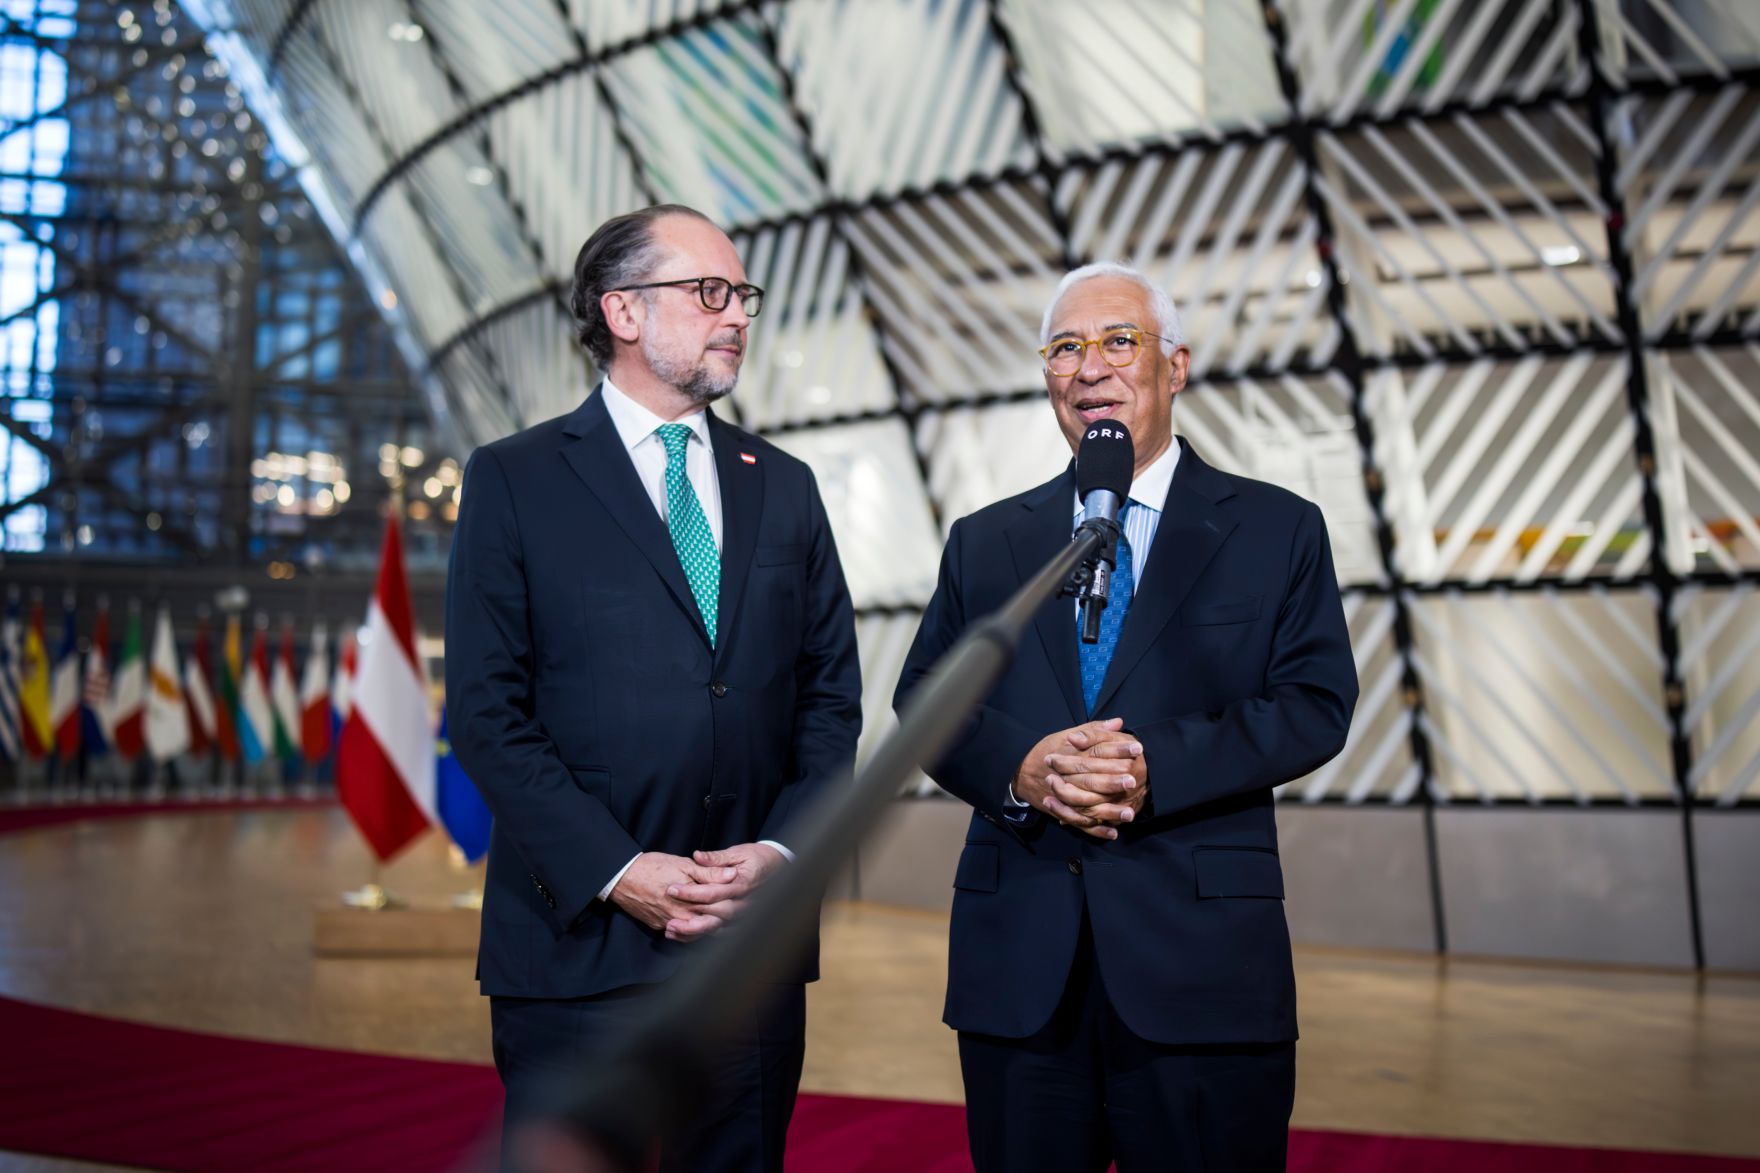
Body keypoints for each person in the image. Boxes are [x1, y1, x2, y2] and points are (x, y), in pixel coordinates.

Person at [894, 261, 1357, 1172]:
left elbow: (1314, 703)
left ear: (1174, 367)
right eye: (1065, 347)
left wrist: (1153, 765)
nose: (1089, 366)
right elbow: (926, 697)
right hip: (1020, 963)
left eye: (1118, 340)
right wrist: (1020, 770)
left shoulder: (1276, 529)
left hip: (1202, 965)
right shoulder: (986, 541)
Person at [445, 204, 862, 1172]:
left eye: (743, 295)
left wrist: (780, 850)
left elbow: (829, 699)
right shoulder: (515, 480)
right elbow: (486, 715)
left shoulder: (784, 485)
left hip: (746, 954)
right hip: (576, 948)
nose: (738, 315)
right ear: (623, 311)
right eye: (709, 292)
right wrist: (618, 870)